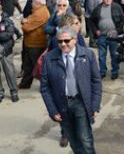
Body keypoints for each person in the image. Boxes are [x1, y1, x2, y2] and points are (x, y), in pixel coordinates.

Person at [40, 26, 102, 154]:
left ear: (75, 40)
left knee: (85, 139)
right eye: (60, 41)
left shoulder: (88, 54)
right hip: (62, 105)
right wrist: (52, 110)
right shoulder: (49, 58)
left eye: (66, 41)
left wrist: (95, 105)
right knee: (73, 140)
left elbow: (96, 81)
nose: (63, 44)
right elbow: (45, 88)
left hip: (80, 103)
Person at [91, 0, 124, 80]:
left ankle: (115, 71)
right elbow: (92, 21)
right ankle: (102, 72)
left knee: (114, 55)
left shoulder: (117, 7)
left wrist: (117, 31)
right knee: (102, 56)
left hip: (113, 37)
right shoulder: (97, 8)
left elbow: (122, 20)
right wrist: (95, 31)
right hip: (102, 36)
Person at [19, 0, 50, 89]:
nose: (31, 4)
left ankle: (46, 86)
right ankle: (25, 84)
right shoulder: (39, 11)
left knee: (38, 67)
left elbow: (27, 27)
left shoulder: (40, 13)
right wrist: (27, 21)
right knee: (28, 66)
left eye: (32, 2)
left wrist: (24, 22)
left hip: (36, 44)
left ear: (38, 4)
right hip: (31, 43)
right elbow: (29, 21)